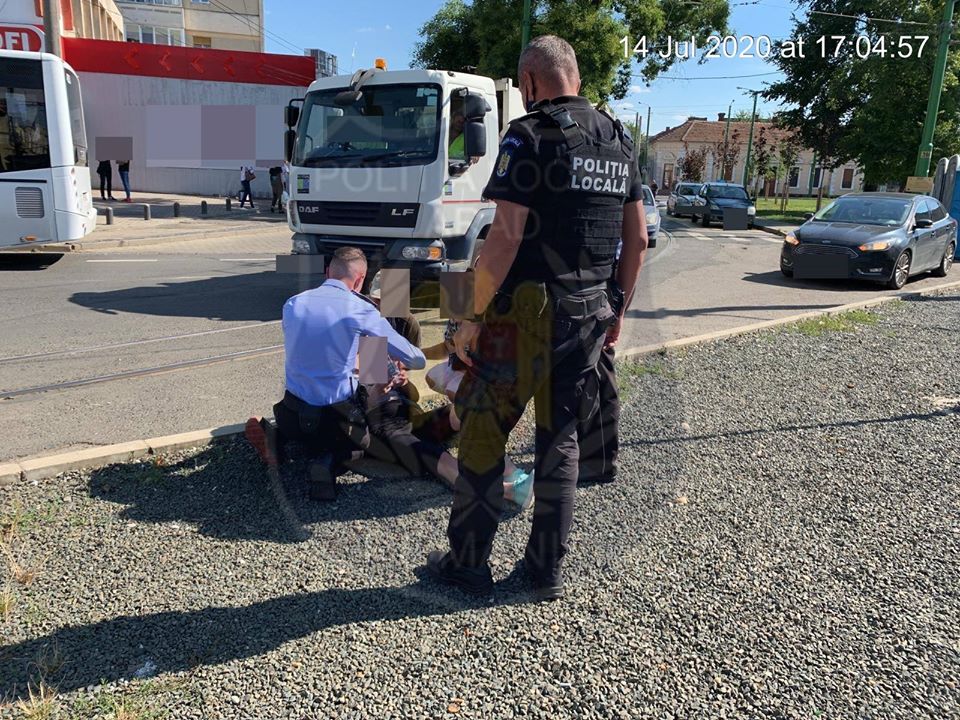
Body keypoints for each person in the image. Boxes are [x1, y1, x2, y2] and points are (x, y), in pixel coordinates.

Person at [425, 35, 648, 601]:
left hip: (525, 318)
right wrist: (618, 311)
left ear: (528, 82)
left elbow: (504, 238)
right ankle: (544, 572)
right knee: (560, 441)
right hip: (590, 314)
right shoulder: (620, 139)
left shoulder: (528, 134)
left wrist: (469, 316)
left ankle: (468, 567)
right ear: (576, 77)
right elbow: (638, 240)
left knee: (482, 434)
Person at [244, 247, 425, 500]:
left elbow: (319, 352)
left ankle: (278, 439)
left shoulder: (293, 303)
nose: (378, 303)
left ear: (328, 271)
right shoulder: (362, 311)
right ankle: (327, 463)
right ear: (361, 280)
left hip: (291, 413)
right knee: (363, 442)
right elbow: (415, 359)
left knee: (312, 425)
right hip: (336, 418)